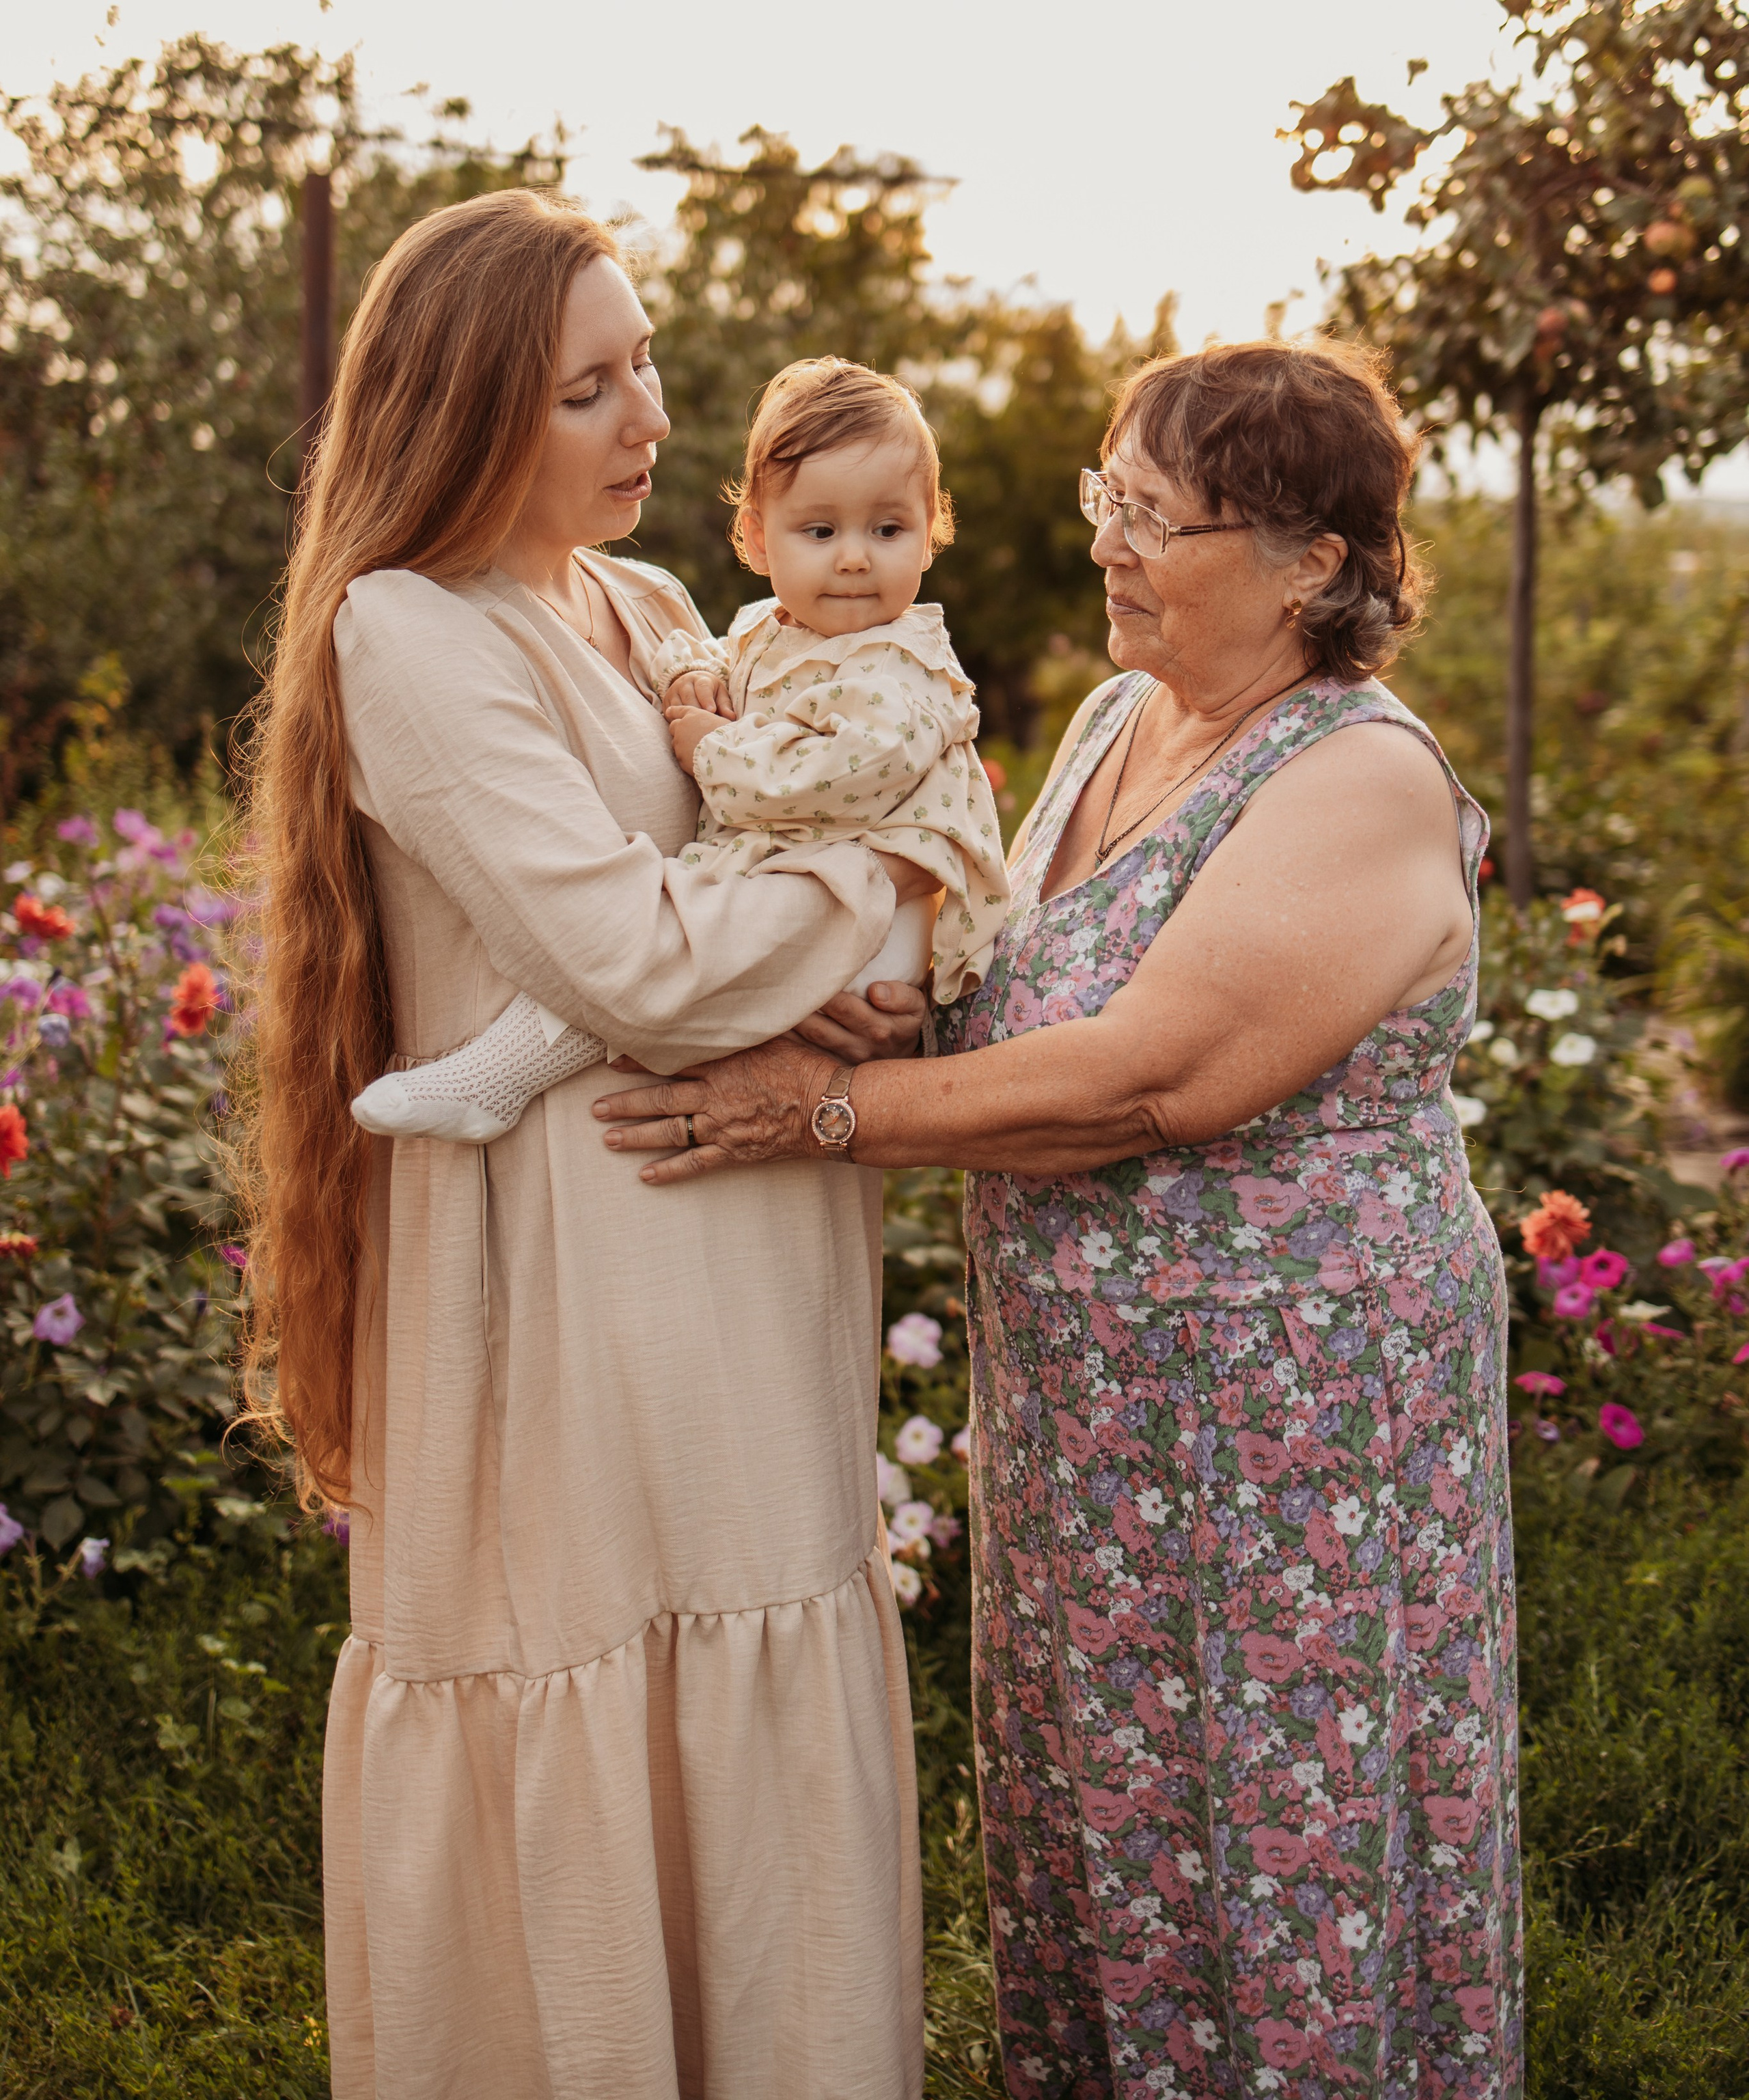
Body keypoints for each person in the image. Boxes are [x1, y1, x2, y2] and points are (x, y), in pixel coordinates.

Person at [595, 338, 1524, 2100]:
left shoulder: (1359, 777)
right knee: (1108, 1814)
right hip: (1094, 1432)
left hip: (1287, 1446)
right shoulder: (1118, 717)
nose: (1103, 538)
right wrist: (887, 1009)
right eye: (1110, 493)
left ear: (1310, 562)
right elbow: (1023, 991)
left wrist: (820, 1110)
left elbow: (1146, 1076)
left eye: (1153, 516)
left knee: (1280, 1828)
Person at [236, 188, 936, 2100]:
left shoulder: (652, 610)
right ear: (467, 411)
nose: (650, 421)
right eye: (585, 390)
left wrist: (856, 975)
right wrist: (874, 903)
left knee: (761, 1701)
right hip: (575, 1291)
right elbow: (625, 955)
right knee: (590, 1668)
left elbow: (736, 890)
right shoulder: (407, 631)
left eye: (646, 366)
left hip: (750, 1267)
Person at [349, 356, 1009, 1147]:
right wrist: (691, 675)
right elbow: (723, 665)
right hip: (807, 887)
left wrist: (715, 752)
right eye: (821, 531)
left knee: (692, 929)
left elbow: (844, 774)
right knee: (679, 936)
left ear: (932, 534)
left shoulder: (900, 661)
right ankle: (501, 1073)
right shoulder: (775, 629)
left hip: (865, 933)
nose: (854, 558)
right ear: (756, 539)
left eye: (888, 530)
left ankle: (500, 1074)